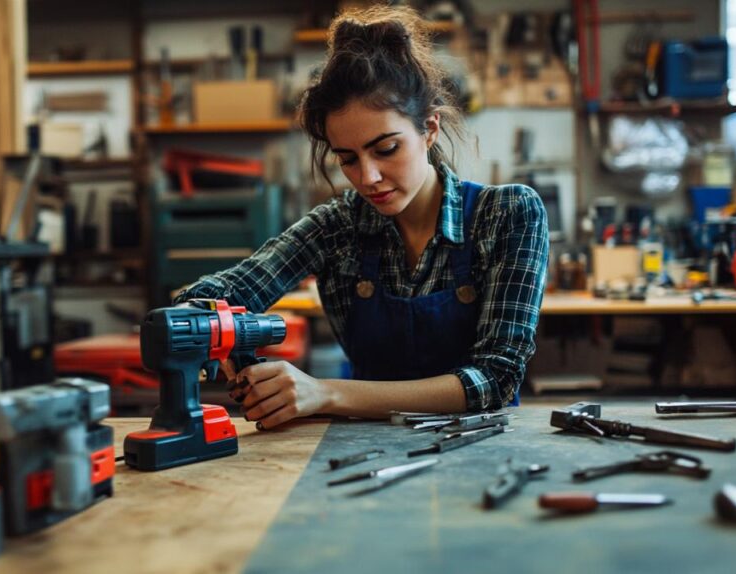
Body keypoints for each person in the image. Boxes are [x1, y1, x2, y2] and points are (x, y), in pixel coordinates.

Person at [173, 6, 549, 430]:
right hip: (363, 451)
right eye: (347, 159)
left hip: (481, 449)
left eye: (386, 149)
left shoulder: (508, 214)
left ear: (429, 129)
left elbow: (496, 380)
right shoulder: (338, 227)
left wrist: (324, 392)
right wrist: (205, 323)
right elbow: (231, 289)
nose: (368, 178)